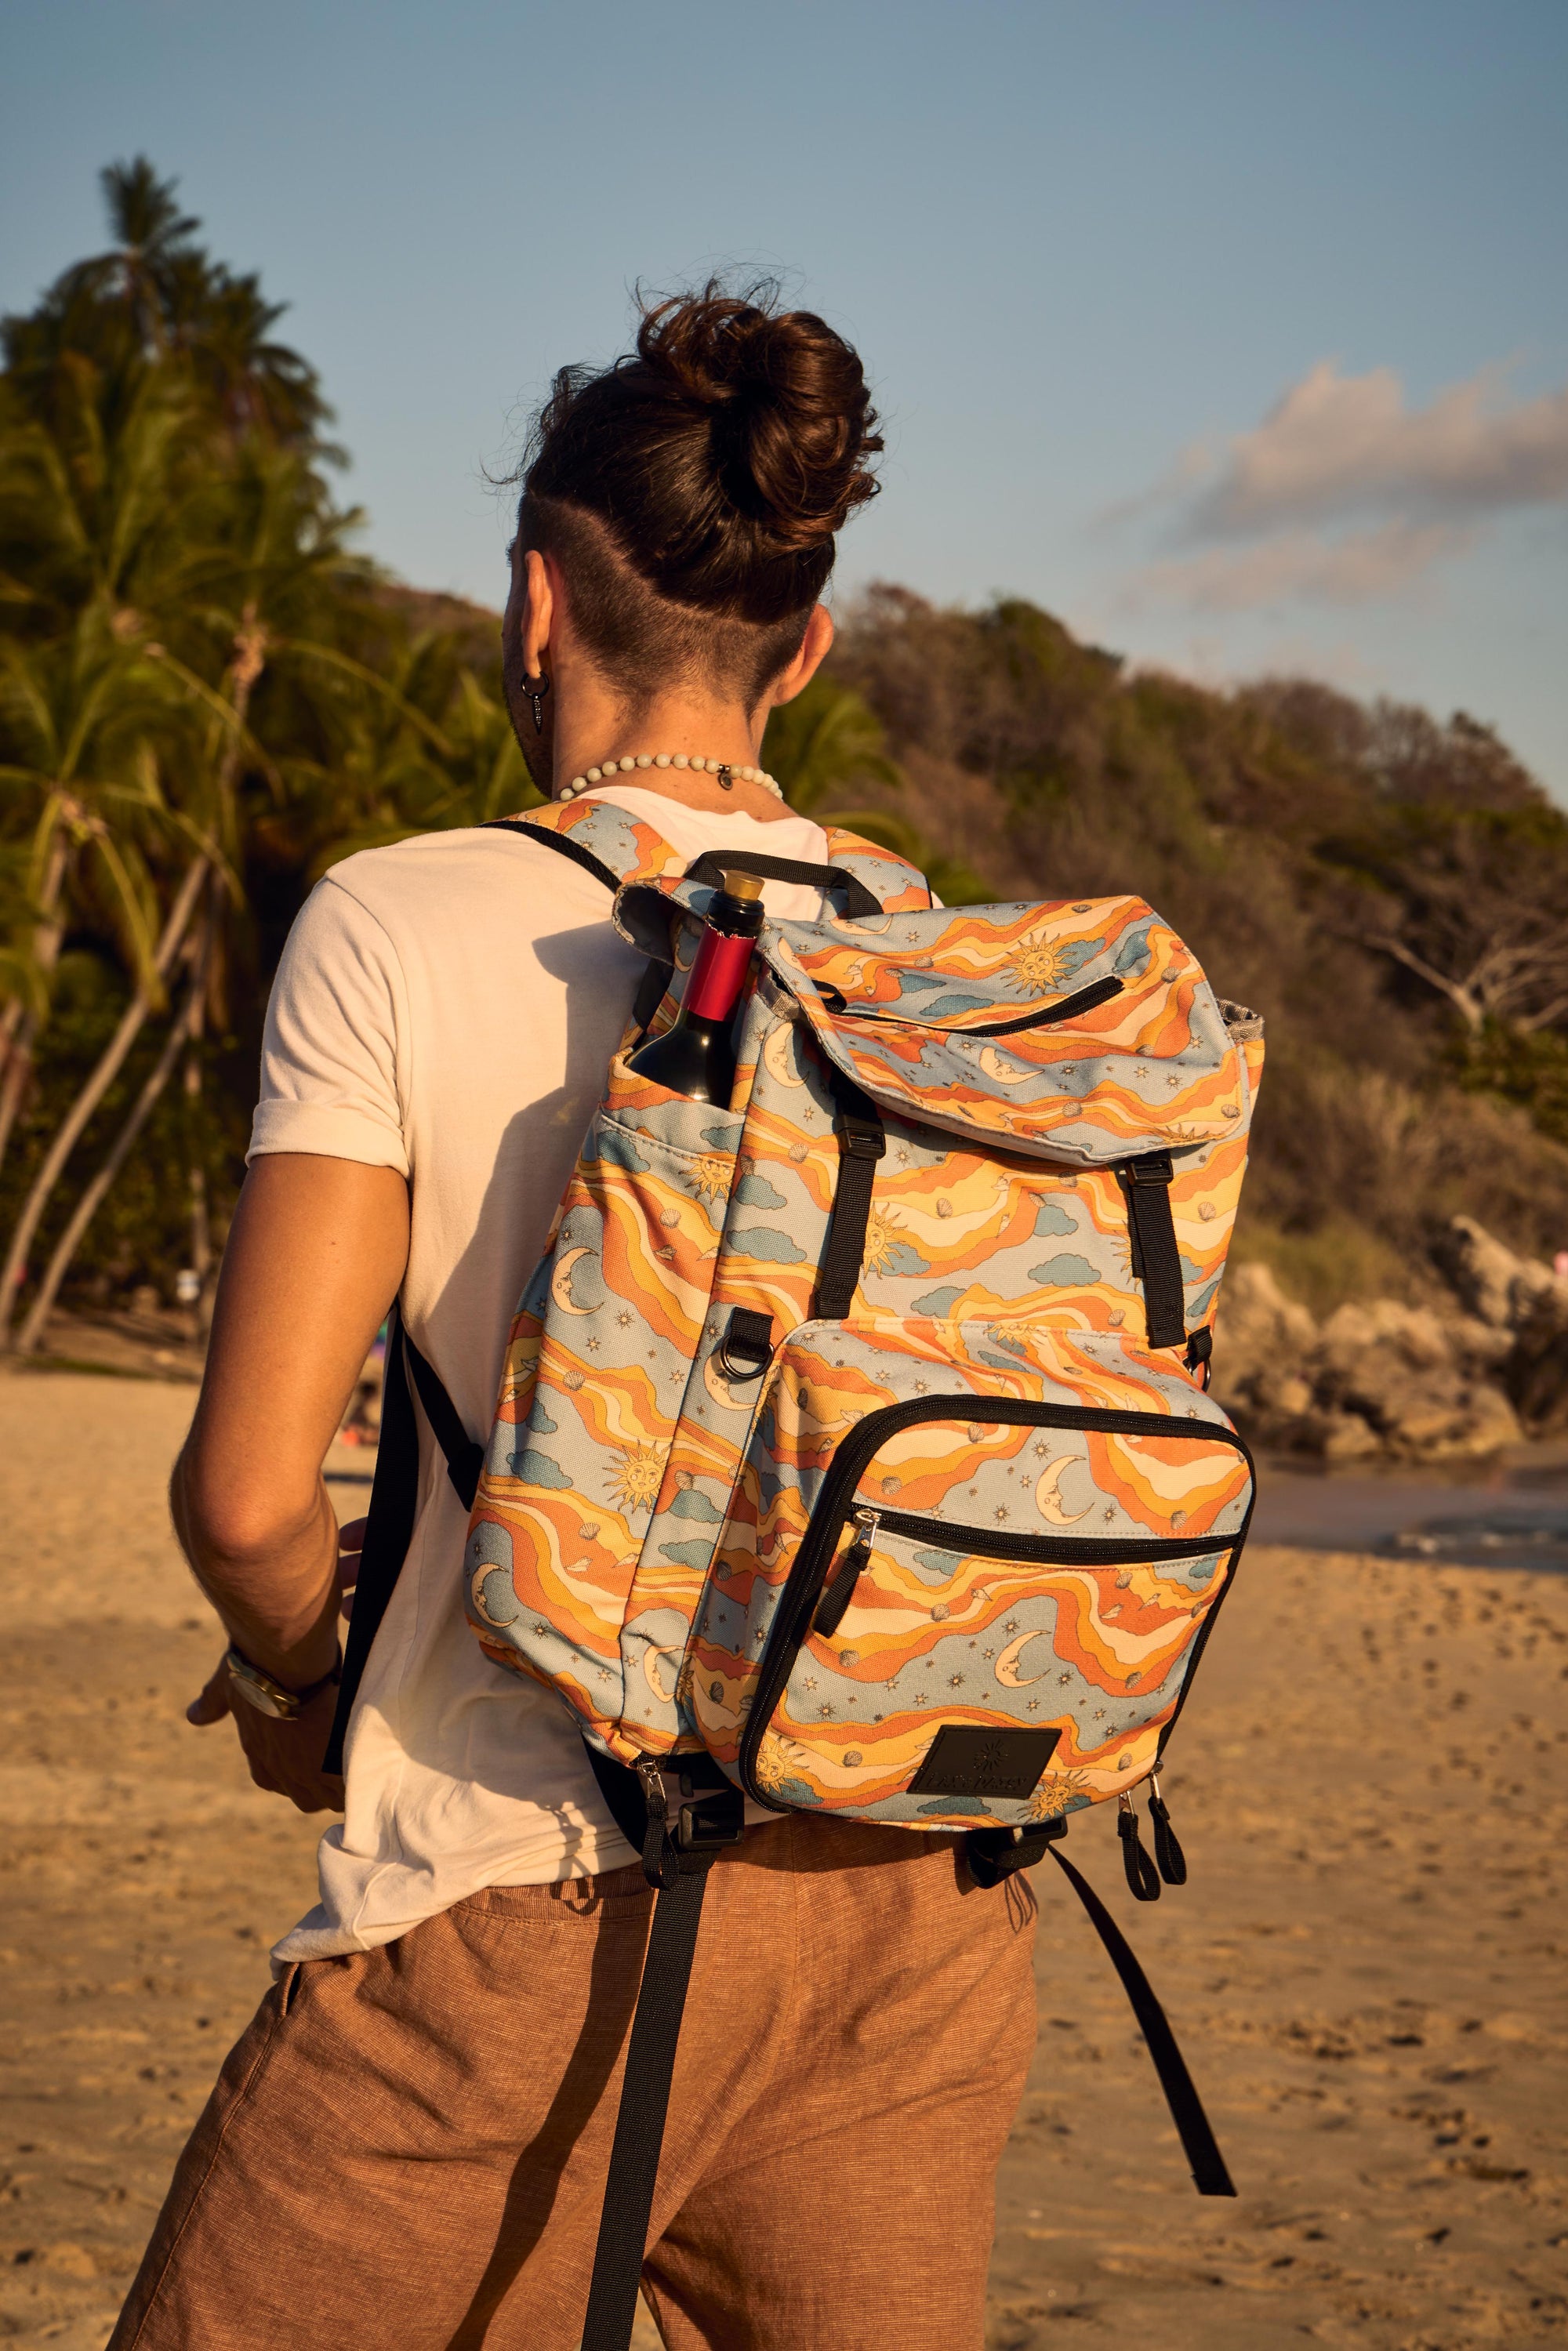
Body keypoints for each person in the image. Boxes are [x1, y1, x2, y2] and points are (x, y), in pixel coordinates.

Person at [110, 286, 1040, 2351]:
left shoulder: (394, 918)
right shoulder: (927, 942)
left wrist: (298, 1697)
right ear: (805, 647)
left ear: (536, 603)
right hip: (902, 1920)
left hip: (519, 1920)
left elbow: (256, 1497)